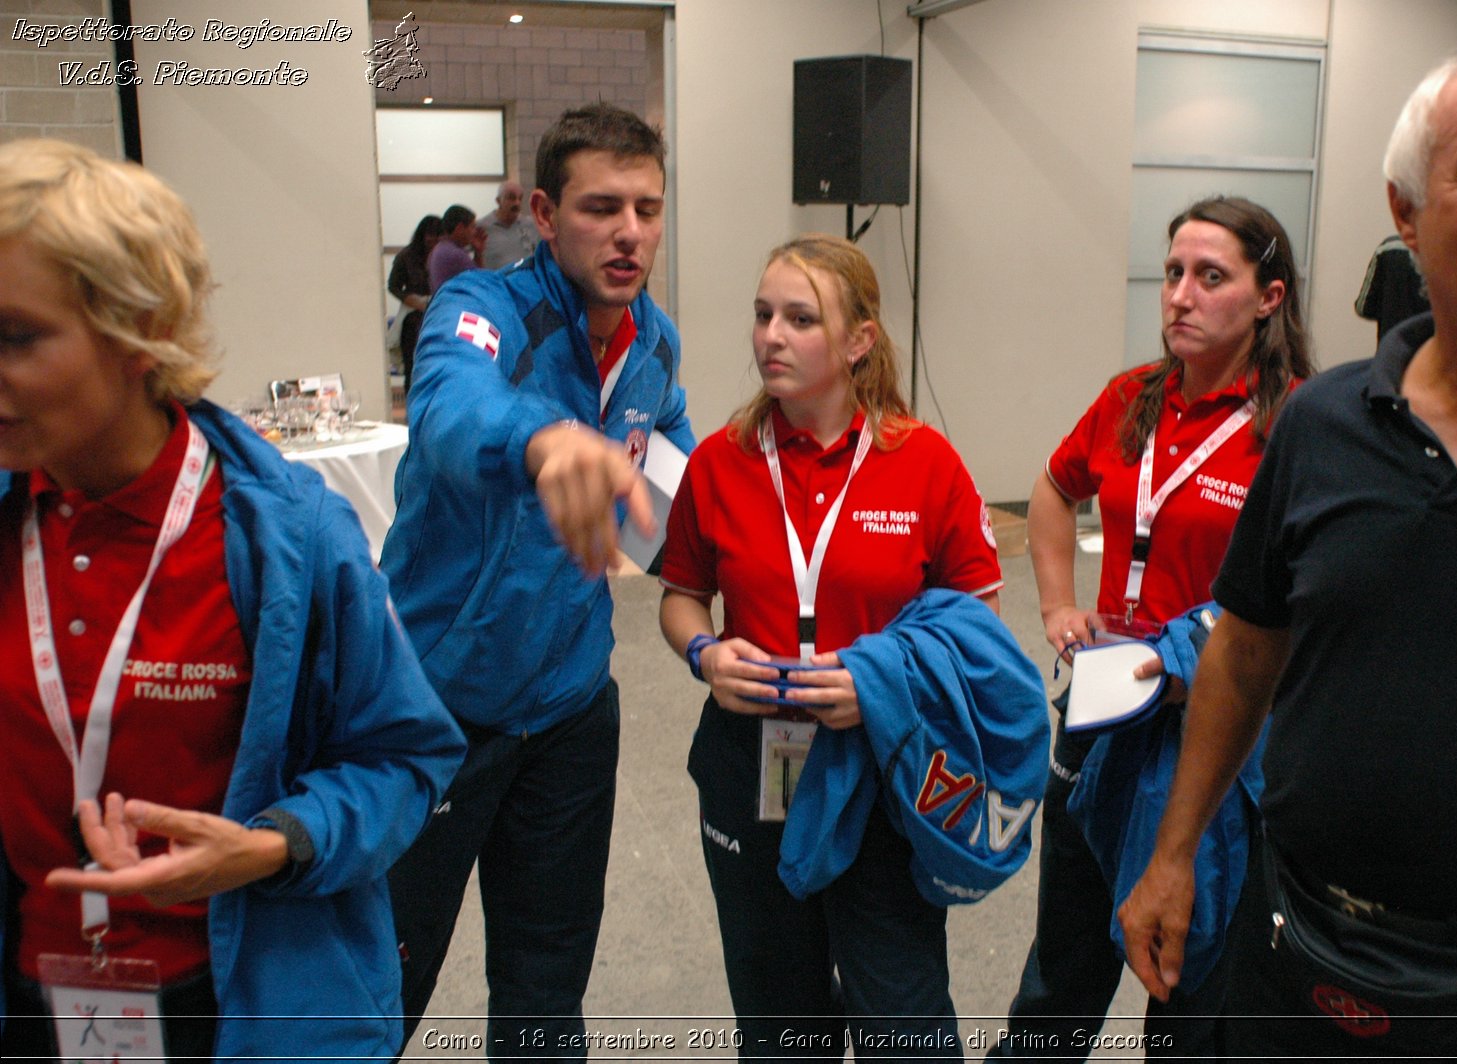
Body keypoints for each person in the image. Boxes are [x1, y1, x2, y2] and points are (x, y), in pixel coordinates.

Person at [1118, 40, 1457, 1059]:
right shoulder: (1324, 423)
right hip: (1301, 948)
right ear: (1407, 212)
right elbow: (1244, 655)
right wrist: (1173, 854)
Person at [0, 138, 464, 1061]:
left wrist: (273, 845)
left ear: (136, 332)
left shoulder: (287, 539)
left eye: (17, 337)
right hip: (32, 1001)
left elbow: (407, 759)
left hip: (247, 1001)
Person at [382, 102, 693, 1057]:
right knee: (386, 977)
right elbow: (448, 410)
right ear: (549, 215)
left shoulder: (653, 340)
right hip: (433, 713)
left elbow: (668, 434)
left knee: (547, 985)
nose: (630, 232)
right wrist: (545, 437)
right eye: (604, 208)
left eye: (647, 208)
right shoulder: (477, 313)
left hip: (565, 712)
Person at [658, 234, 1009, 1058]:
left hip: (884, 762)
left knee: (903, 1013)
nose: (770, 336)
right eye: (762, 315)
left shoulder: (923, 464)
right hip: (754, 760)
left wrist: (883, 686)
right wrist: (706, 654)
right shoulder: (720, 462)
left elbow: (979, 625)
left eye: (799, 318)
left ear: (858, 341)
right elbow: (680, 598)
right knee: (779, 1019)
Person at [994, 196, 1311, 1061]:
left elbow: (1317, 585)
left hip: (1218, 721)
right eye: (1174, 272)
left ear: (1268, 296)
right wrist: (1058, 604)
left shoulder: (1299, 424)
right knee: (1063, 956)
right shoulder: (1132, 396)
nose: (1179, 294)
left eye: (1211, 277)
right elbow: (1056, 491)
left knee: (1191, 970)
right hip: (1103, 702)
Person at [388, 213, 443, 394]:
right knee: (413, 368)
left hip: (441, 315)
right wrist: (411, 299)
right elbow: (393, 286)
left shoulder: (445, 255)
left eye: (437, 235)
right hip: (414, 319)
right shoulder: (407, 255)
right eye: (429, 235)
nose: (433, 240)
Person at [1355, 230, 1430, 341]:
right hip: (1428, 350)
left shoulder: (1386, 248)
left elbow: (1362, 308)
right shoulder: (1444, 250)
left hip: (1391, 348)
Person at [482, 180, 540, 270]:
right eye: (511, 198)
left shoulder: (531, 224)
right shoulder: (482, 227)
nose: (517, 203)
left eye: (520, 198)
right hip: (496, 281)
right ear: (498, 201)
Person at [427, 203, 482, 292]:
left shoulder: (439, 248)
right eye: (472, 227)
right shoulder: (455, 254)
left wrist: (478, 252)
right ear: (460, 228)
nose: (475, 232)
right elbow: (481, 283)